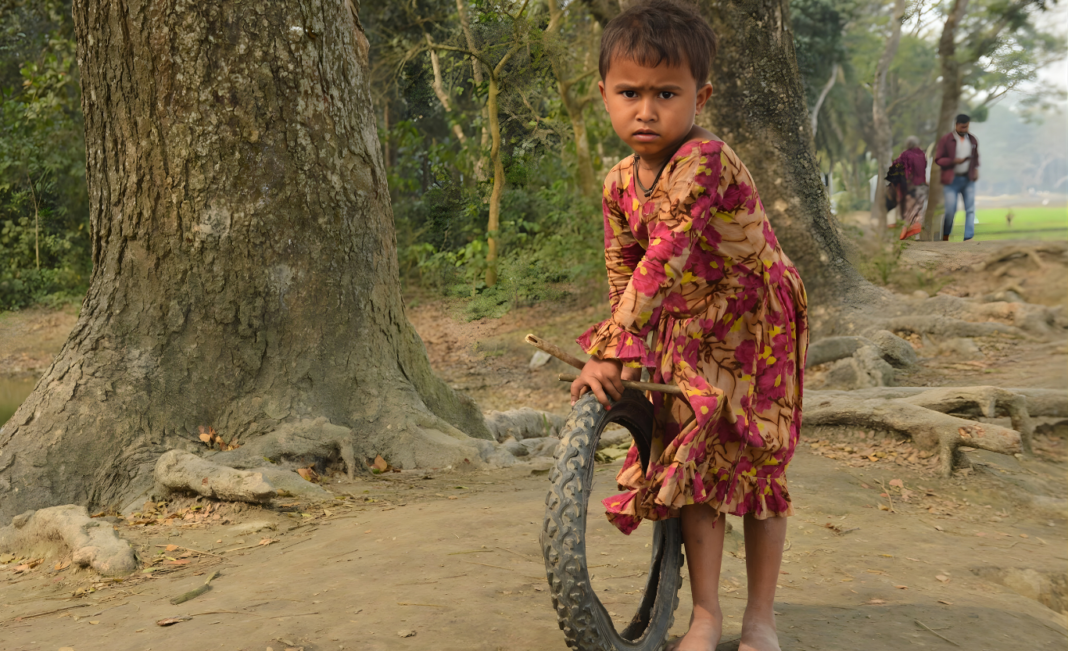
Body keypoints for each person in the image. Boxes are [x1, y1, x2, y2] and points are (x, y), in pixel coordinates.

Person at [569, 3, 808, 650]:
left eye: (666, 93)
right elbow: (624, 272)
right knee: (694, 463)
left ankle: (761, 616)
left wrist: (614, 350)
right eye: (629, 93)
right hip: (689, 328)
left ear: (699, 97)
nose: (646, 110)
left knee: (756, 467)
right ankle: (708, 613)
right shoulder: (620, 181)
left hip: (757, 324)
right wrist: (617, 353)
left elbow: (665, 253)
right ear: (604, 96)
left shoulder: (704, 160)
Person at [934, 114, 980, 241]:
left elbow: (976, 157)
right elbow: (938, 159)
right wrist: (953, 161)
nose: (964, 129)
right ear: (956, 125)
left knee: (970, 209)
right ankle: (946, 235)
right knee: (950, 210)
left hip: (968, 178)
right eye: (962, 126)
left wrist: (976, 169)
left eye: (966, 126)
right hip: (951, 180)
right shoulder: (946, 139)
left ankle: (968, 237)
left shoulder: (972, 140)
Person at [892, 136, 929, 240]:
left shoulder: (904, 155)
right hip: (922, 186)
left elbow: (896, 166)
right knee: (919, 210)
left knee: (907, 212)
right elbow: (923, 170)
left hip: (909, 187)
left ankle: (904, 233)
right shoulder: (922, 155)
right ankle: (916, 235)